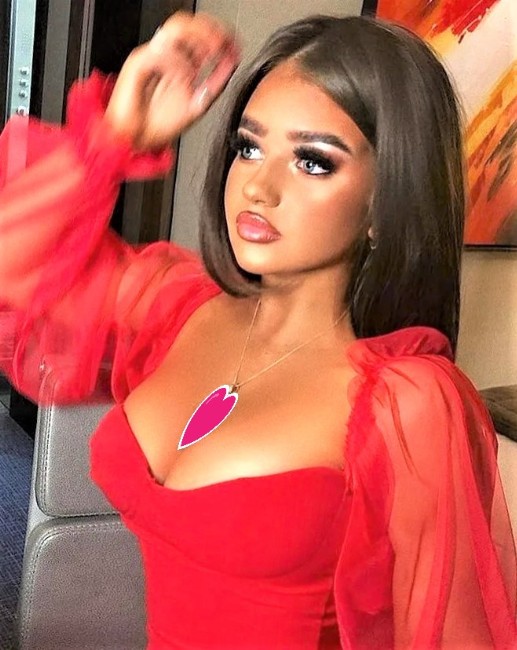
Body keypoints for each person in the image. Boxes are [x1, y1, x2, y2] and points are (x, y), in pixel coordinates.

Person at [0, 9, 516, 649]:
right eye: (249, 147)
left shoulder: (406, 404)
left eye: (313, 162)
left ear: (385, 204)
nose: (258, 188)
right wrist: (115, 134)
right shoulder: (176, 306)